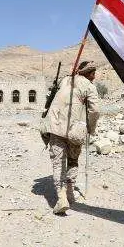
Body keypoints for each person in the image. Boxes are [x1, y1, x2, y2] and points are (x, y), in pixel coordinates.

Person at [40, 60, 100, 214]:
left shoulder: (65, 80)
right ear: (89, 74)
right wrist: (91, 129)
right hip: (75, 130)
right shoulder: (89, 86)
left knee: (58, 163)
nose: (94, 77)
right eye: (93, 74)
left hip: (55, 126)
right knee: (73, 160)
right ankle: (70, 192)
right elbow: (94, 111)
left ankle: (61, 197)